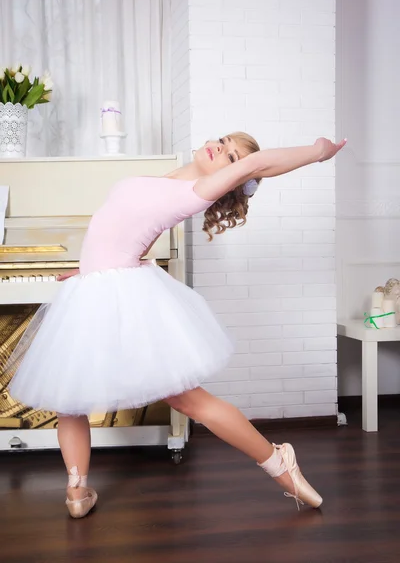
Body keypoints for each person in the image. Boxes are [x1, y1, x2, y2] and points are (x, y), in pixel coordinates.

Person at [7, 132, 346, 518]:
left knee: (187, 399)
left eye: (231, 157)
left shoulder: (200, 189)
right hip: (96, 289)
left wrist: (319, 152)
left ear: (233, 176)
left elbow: (256, 164)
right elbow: (130, 228)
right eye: (223, 141)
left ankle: (280, 465)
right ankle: (77, 490)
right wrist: (91, 270)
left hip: (120, 298)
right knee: (69, 398)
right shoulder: (171, 180)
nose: (220, 149)